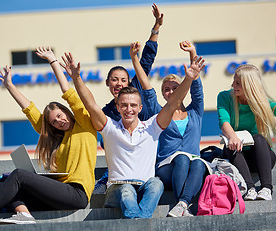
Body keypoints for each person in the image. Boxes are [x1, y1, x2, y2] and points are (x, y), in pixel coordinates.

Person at [0, 47, 97, 228]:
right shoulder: (59, 138)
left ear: (66, 111)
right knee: (5, 182)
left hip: (77, 193)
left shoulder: (85, 124)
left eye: (60, 115)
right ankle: (24, 215)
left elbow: (68, 92)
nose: (59, 121)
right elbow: (30, 111)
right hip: (60, 192)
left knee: (18, 176)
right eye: (54, 122)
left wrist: (53, 61)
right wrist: (10, 85)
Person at [59, 51, 205, 219]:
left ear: (140, 108)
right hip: (117, 189)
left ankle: (136, 222)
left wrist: (188, 79)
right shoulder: (110, 128)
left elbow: (172, 104)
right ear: (118, 107)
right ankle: (140, 223)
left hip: (144, 188)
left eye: (133, 105)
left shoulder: (151, 126)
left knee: (156, 183)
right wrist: (76, 78)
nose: (129, 109)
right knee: (127, 189)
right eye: (124, 105)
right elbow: (90, 105)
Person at [129, 41, 210, 217]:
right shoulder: (158, 113)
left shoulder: (195, 111)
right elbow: (146, 88)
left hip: (192, 167)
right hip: (167, 167)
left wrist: (192, 54)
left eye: (175, 88)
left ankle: (182, 204)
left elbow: (196, 87)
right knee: (182, 158)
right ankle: (183, 204)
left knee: (198, 162)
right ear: (163, 94)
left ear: (182, 89)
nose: (171, 92)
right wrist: (134, 58)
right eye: (166, 89)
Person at [94, 3, 164, 194]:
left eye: (123, 80)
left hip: (152, 149)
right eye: (114, 80)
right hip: (123, 162)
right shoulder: (106, 112)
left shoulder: (137, 88)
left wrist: (156, 27)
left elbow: (147, 58)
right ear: (108, 83)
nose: (119, 84)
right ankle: (108, 177)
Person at [217, 64, 276, 201]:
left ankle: (266, 188)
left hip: (260, 158)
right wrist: (232, 137)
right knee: (231, 146)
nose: (233, 85)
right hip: (237, 158)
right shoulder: (224, 97)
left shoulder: (261, 102)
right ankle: (249, 189)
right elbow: (223, 121)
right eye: (234, 80)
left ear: (249, 85)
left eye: (238, 83)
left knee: (259, 138)